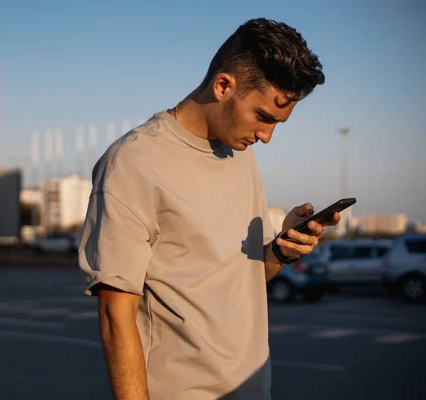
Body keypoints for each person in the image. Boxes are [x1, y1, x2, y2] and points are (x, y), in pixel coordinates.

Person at [78, 18, 340, 400]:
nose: (266, 136)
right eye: (264, 117)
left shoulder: (239, 153)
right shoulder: (133, 162)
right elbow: (114, 317)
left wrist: (282, 249)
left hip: (252, 387)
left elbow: (239, 281)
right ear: (223, 86)